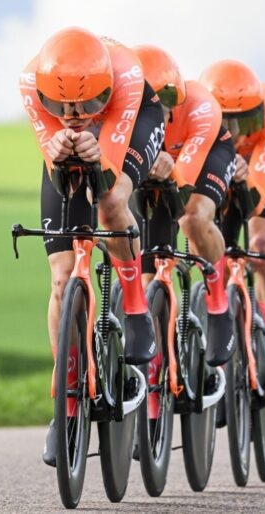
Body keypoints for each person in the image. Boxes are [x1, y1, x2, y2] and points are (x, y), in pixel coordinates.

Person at [20, 27, 165, 466]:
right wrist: (58, 144)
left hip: (129, 123)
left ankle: (135, 302)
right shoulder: (30, 81)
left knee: (110, 201)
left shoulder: (126, 77)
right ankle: (64, 408)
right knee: (62, 277)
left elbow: (106, 166)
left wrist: (95, 153)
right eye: (60, 106)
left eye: (86, 104)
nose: (73, 113)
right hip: (70, 146)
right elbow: (56, 157)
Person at [132, 45, 237, 367]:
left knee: (192, 217)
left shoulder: (200, 106)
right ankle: (157, 372)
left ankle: (218, 302)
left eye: (161, 106)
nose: (154, 116)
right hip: (156, 165)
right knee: (148, 269)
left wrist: (165, 164)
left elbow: (185, 179)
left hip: (205, 157)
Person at [198, 60, 265, 389]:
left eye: (245, 120)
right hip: (221, 160)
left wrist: (240, 179)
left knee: (261, 245)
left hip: (263, 163)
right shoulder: (200, 116)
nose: (238, 131)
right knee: (216, 251)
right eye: (227, 121)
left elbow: (255, 195)